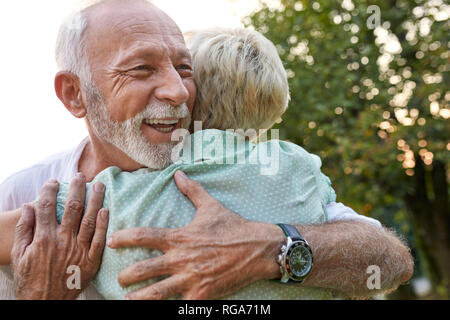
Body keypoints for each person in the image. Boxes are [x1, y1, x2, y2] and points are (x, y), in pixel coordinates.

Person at [0, 0, 413, 300]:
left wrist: (270, 249)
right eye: (142, 68)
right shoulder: (26, 193)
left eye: (184, 68)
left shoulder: (232, 170)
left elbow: (390, 258)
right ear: (75, 94)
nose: (178, 91)